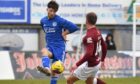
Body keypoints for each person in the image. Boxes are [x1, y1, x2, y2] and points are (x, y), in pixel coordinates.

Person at [37, 1, 79, 84]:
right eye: (51, 10)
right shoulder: (43, 21)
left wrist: (64, 33)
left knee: (55, 72)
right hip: (50, 46)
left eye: (54, 11)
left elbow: (74, 27)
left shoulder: (59, 20)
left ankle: (50, 71)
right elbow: (45, 30)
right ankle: (47, 68)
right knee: (44, 51)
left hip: (60, 48)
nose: (52, 13)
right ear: (47, 9)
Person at [66, 12, 107, 84]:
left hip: (90, 65)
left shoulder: (89, 35)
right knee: (89, 82)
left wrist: (76, 64)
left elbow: (89, 53)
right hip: (96, 63)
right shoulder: (97, 31)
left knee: (69, 80)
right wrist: (102, 60)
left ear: (87, 20)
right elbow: (104, 46)